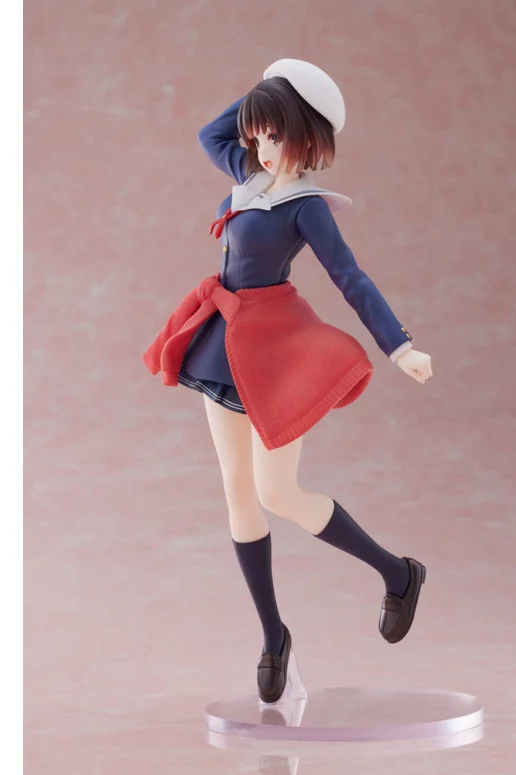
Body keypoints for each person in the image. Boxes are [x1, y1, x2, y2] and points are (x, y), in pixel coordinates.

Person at [144, 59, 432, 704]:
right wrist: (266, 88)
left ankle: (397, 573)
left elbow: (350, 277)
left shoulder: (304, 206)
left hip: (275, 346)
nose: (263, 147)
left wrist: (400, 346)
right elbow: (211, 135)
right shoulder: (247, 175)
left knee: (278, 491)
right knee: (238, 493)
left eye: (276, 135)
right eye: (258, 135)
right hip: (223, 343)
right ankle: (274, 637)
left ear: (307, 136)